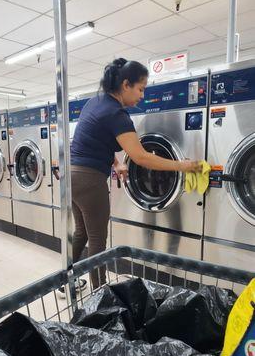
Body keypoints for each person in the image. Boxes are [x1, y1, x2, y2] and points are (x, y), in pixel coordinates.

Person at [59, 58, 200, 296]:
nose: (142, 96)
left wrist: (116, 162)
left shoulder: (94, 102)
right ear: (126, 84)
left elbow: (92, 140)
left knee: (82, 231)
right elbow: (142, 157)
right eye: (141, 89)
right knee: (97, 240)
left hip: (71, 176)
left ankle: (66, 281)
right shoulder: (117, 114)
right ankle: (100, 295)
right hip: (89, 180)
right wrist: (182, 165)